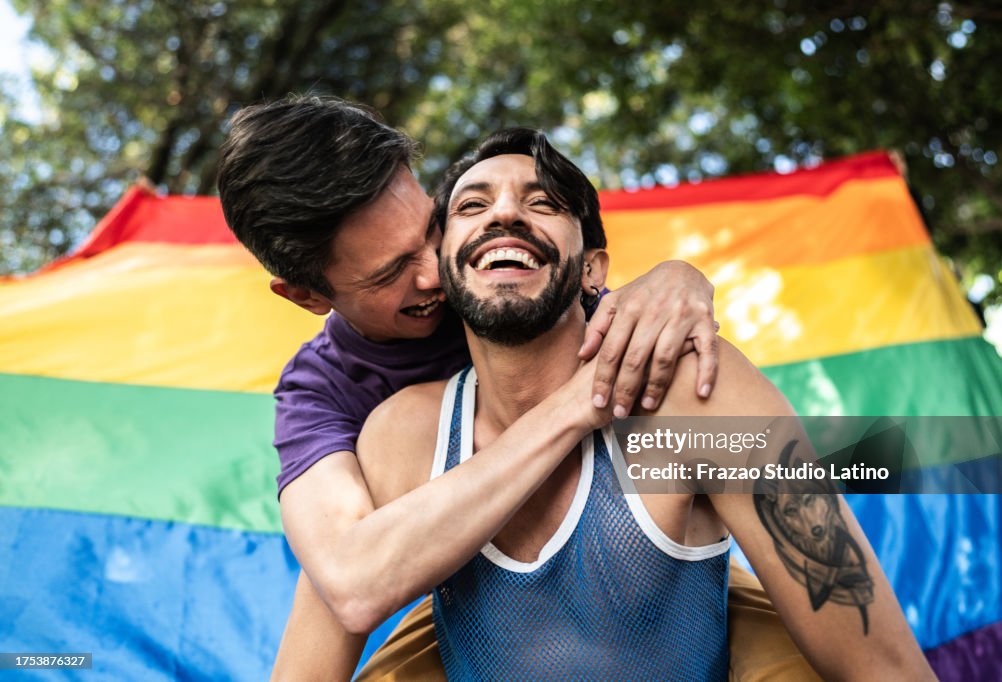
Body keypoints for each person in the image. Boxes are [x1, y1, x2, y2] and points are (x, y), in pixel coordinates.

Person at [348, 128, 936, 679]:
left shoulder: (692, 394)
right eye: (472, 205)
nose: (504, 213)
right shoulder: (403, 433)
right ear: (443, 269)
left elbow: (884, 667)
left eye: (542, 203)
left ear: (592, 269)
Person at [216, 96, 731, 678]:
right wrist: (574, 405)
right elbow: (351, 582)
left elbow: (795, 453)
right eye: (390, 273)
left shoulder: (507, 280)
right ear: (307, 296)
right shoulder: (324, 392)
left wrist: (679, 277)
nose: (436, 271)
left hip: (665, 582)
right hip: (468, 597)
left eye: (431, 229)